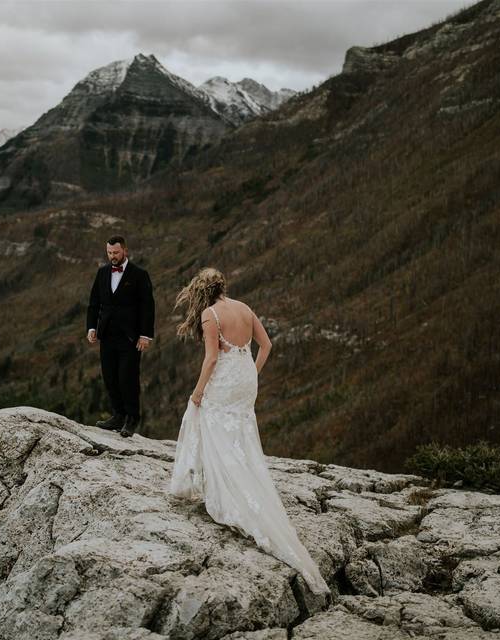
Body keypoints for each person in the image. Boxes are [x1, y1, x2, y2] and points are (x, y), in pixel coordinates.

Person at [168, 267, 330, 596]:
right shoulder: (244, 307)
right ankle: (238, 480)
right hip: (245, 379)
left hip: (226, 378)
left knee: (209, 421)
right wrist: (251, 373)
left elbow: (211, 359)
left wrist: (198, 390)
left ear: (200, 291)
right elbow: (266, 345)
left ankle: (220, 488)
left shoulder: (210, 315)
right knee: (239, 434)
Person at [86, 236, 155, 437]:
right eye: (109, 253)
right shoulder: (102, 273)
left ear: (124, 250)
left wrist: (145, 335)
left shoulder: (140, 275)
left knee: (128, 377)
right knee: (110, 377)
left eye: (115, 253)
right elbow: (94, 303)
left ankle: (132, 418)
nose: (112, 256)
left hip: (130, 337)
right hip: (106, 335)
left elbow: (148, 307)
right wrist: (91, 328)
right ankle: (117, 415)